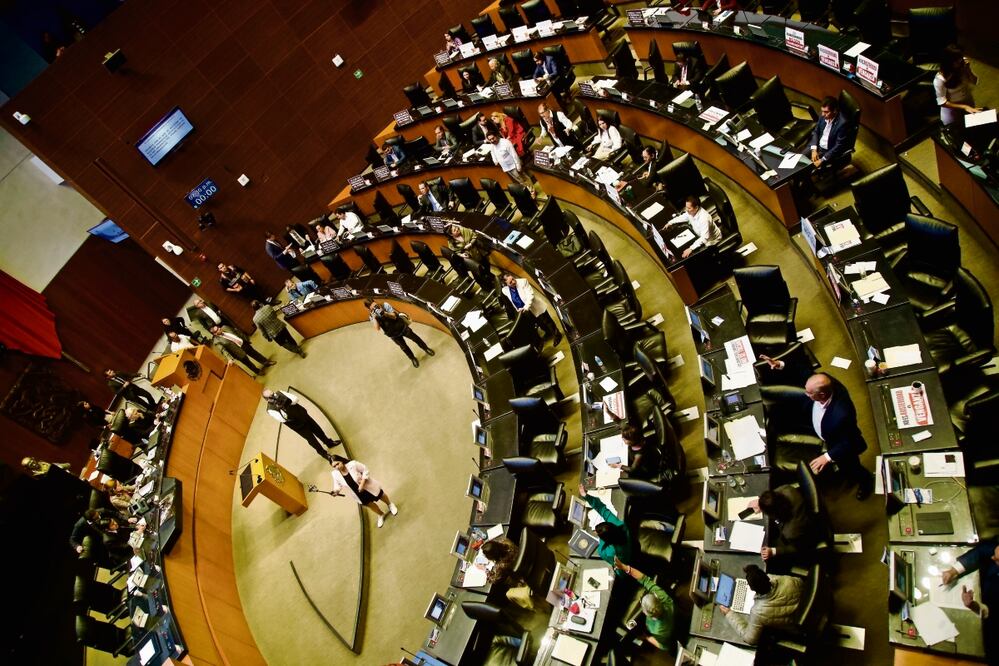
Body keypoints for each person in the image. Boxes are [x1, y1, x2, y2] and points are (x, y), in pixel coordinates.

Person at [799, 373, 874, 500]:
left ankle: (866, 481)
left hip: (840, 444)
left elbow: (849, 441)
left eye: (809, 393)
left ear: (822, 395)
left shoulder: (842, 415)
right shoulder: (826, 381)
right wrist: (780, 364)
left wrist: (827, 457)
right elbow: (804, 369)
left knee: (851, 467)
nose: (806, 394)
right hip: (825, 429)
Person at [940, 541, 998, 661]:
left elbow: (994, 616)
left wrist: (975, 606)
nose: (992, 557)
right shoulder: (996, 551)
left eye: (996, 560)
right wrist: (954, 571)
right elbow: (981, 551)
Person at [720, 564, 804, 645]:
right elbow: (801, 583)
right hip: (812, 612)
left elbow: (749, 639)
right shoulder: (787, 580)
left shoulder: (759, 612)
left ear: (752, 589)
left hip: (800, 630)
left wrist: (729, 614)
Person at [748, 485, 823, 567]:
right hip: (807, 514)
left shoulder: (791, 532)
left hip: (806, 539)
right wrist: (762, 502)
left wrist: (773, 551)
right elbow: (774, 495)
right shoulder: (787, 490)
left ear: (774, 514)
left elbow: (798, 548)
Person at [613, 557, 676, 650]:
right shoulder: (665, 599)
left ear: (647, 614)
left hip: (668, 636)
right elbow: (644, 579)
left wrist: (647, 638)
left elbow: (664, 647)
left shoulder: (658, 631)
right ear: (657, 598)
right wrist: (624, 567)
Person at [263, 389, 341, 463]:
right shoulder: (270, 409)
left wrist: (287, 402)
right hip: (296, 424)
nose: (274, 395)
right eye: (271, 396)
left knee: (317, 429)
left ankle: (328, 442)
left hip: (302, 414)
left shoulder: (280, 392)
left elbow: (295, 399)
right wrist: (283, 408)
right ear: (267, 399)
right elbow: (283, 419)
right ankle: (324, 454)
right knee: (311, 439)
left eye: (272, 393)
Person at [578, 484, 633, 574]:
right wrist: (586, 495)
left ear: (607, 541)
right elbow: (602, 509)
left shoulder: (610, 552)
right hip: (631, 546)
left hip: (626, 568)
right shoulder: (619, 525)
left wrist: (600, 538)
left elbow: (602, 553)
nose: (595, 532)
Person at [366, 298, 435, 368]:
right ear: (369, 309)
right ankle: (412, 358)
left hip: (401, 327)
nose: (376, 307)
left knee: (415, 338)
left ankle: (426, 348)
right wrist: (374, 317)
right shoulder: (372, 316)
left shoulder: (385, 305)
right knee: (404, 347)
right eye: (373, 308)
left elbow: (394, 316)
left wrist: (385, 313)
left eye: (376, 305)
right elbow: (377, 328)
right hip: (393, 334)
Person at [330, 458, 398, 528]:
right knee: (369, 504)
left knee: (380, 495)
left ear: (342, 461)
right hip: (357, 493)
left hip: (366, 485)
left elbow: (365, 470)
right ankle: (381, 514)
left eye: (337, 464)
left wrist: (362, 484)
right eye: (334, 466)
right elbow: (337, 485)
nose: (337, 467)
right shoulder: (335, 474)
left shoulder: (353, 464)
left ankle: (390, 504)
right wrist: (336, 491)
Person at [500, 273, 562, 346]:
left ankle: (557, 335)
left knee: (547, 321)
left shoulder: (523, 281)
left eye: (513, 279)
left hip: (534, 306)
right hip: (526, 311)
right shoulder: (505, 290)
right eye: (510, 282)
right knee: (539, 322)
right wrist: (518, 308)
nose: (513, 282)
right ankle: (548, 332)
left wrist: (526, 307)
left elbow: (530, 295)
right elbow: (512, 300)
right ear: (505, 284)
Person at [934, 45, 981, 126]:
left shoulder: (962, 65)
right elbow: (942, 102)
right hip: (953, 111)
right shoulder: (940, 79)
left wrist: (968, 70)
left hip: (968, 103)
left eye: (960, 58)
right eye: (957, 61)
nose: (960, 61)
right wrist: (964, 107)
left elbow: (975, 82)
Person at [486, 130, 535, 195]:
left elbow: (514, 154)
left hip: (514, 165)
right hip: (506, 167)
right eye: (490, 140)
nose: (492, 141)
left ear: (497, 136)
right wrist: (495, 160)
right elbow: (492, 152)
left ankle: (532, 191)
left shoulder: (505, 142)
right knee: (520, 181)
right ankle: (528, 191)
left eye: (493, 138)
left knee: (524, 179)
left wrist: (518, 166)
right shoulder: (492, 144)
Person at [809, 96, 850, 169]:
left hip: (828, 151)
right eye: (822, 111)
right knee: (798, 159)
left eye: (826, 112)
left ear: (835, 111)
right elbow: (816, 131)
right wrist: (814, 149)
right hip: (817, 145)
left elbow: (838, 146)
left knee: (805, 169)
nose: (822, 114)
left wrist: (822, 160)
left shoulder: (843, 123)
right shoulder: (823, 115)